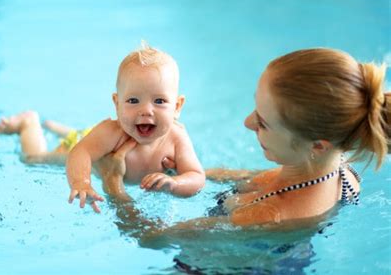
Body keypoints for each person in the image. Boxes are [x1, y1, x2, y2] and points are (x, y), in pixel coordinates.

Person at [99, 48, 390, 230]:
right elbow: (259, 178)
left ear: (317, 145)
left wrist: (113, 184)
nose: (247, 122)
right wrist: (188, 173)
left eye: (262, 122)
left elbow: (152, 238)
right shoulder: (337, 164)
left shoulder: (270, 215)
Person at [0, 43, 205, 213]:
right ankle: (28, 123)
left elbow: (196, 175)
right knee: (34, 159)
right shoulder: (112, 132)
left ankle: (62, 129)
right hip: (85, 142)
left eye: (159, 101)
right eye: (133, 100)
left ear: (177, 107)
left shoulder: (177, 137)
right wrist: (81, 181)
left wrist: (175, 183)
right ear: (117, 104)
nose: (146, 111)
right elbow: (81, 152)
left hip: (94, 139)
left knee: (87, 136)